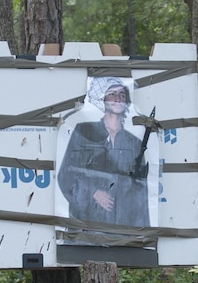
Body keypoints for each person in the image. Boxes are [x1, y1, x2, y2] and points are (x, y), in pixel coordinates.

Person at [57, 77, 149, 228]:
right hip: (86, 230)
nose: (118, 98)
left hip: (123, 234)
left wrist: (142, 235)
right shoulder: (84, 131)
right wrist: (92, 191)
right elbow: (66, 176)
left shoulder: (135, 144)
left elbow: (141, 194)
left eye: (122, 95)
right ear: (103, 99)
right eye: (112, 93)